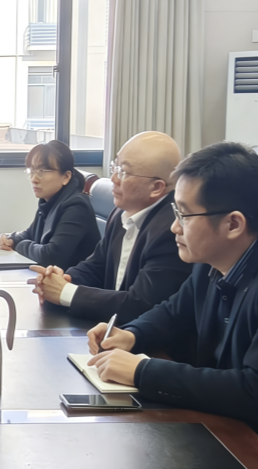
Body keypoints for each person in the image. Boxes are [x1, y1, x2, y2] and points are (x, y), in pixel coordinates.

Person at [87, 142, 258, 429]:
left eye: (184, 215)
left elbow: (252, 390)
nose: (174, 227)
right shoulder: (209, 264)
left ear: (233, 225)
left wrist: (143, 371)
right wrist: (132, 334)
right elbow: (173, 312)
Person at [31, 132, 192, 325]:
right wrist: (64, 279)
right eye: (114, 167)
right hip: (109, 330)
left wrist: (65, 292)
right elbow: (96, 266)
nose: (113, 178)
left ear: (156, 187)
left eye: (123, 172)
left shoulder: (172, 230)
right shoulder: (121, 213)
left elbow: (141, 304)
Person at [0, 140, 100, 269]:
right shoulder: (48, 201)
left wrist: (19, 245)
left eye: (41, 171)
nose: (34, 179)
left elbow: (50, 256)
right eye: (32, 171)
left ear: (66, 177)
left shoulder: (77, 207)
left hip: (71, 280)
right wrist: (11, 239)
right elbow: (30, 234)